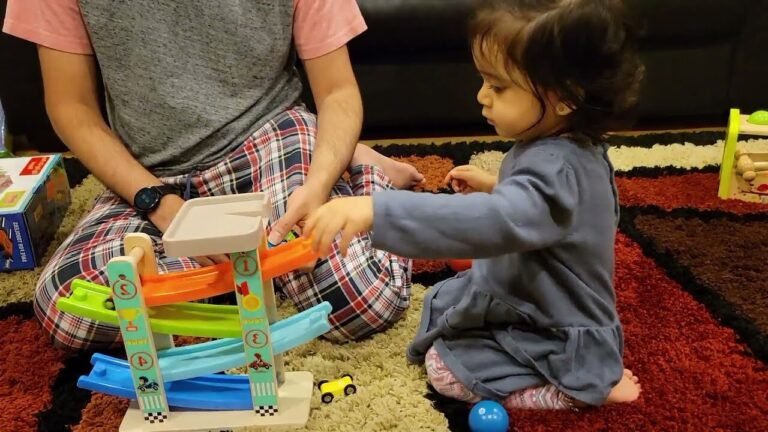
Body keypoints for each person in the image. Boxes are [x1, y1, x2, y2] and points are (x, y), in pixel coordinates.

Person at [2, 0, 424, 350]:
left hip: (267, 136)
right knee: (71, 311)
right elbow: (71, 106)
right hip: (148, 172)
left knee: (360, 302)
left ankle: (365, 170)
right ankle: (257, 276)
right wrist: (159, 204)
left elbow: (337, 91)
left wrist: (316, 189)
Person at [305, 0, 645, 411]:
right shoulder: (566, 149)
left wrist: (379, 210)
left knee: (445, 368)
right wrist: (498, 185)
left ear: (566, 97)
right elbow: (547, 209)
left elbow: (498, 222)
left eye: (498, 86)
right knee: (449, 300)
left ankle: (575, 386)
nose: (481, 96)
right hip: (535, 291)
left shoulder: (556, 167)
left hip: (552, 324)